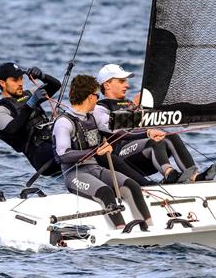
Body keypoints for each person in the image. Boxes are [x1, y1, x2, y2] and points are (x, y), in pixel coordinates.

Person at [52, 74, 151, 229]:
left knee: (132, 186)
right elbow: (62, 155)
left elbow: (119, 132)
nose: (98, 100)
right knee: (106, 192)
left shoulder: (93, 117)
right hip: (75, 175)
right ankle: (120, 232)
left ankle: (148, 228)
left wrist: (147, 134)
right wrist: (95, 151)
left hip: (96, 170)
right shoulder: (64, 123)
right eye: (97, 96)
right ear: (90, 96)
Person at [95, 63, 216, 184]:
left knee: (170, 136)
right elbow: (117, 129)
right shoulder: (99, 108)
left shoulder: (129, 104)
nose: (127, 85)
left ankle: (194, 176)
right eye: (121, 81)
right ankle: (169, 174)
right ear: (107, 85)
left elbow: (150, 123)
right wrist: (135, 113)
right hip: (121, 157)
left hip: (144, 154)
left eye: (126, 81)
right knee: (154, 141)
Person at [0, 62, 61, 176]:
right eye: (15, 80)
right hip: (41, 156)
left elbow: (56, 85)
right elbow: (13, 128)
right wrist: (31, 103)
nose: (20, 83)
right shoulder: (0, 110)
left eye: (21, 79)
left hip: (54, 142)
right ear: (2, 83)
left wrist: (42, 76)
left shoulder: (29, 94)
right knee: (72, 151)